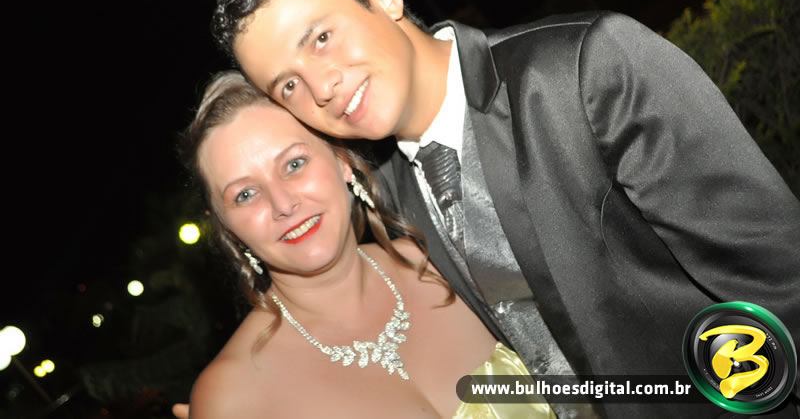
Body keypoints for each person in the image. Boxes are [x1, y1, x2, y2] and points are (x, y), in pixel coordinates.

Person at [203, 0, 800, 418]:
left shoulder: (582, 71)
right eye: (288, 84)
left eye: (322, 38)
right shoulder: (391, 193)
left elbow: (779, 282)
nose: (322, 86)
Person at [178, 70, 556, 418]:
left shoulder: (448, 262)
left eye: (294, 164)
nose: (282, 204)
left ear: (342, 161)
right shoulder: (232, 397)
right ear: (227, 228)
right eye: (245, 194)